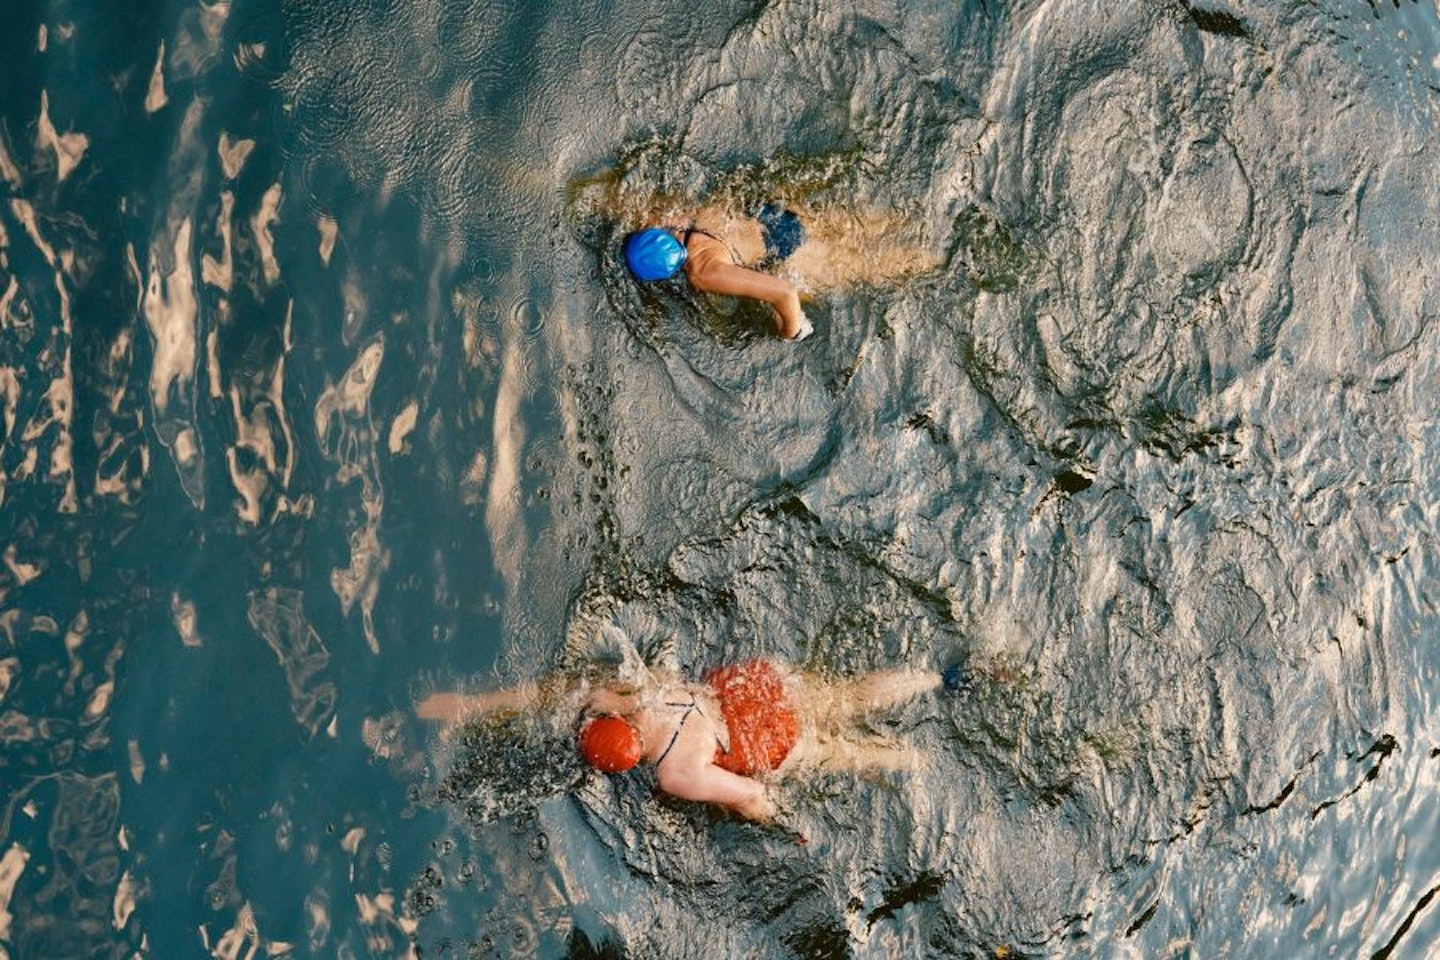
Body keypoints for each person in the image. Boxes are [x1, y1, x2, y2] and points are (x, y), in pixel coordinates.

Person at [417, 657, 970, 822]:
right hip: (758, 688)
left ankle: (919, 760)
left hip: (771, 741)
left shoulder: (673, 774)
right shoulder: (639, 691)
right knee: (846, 696)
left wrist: (781, 824)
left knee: (846, 756)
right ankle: (938, 678)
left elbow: (751, 794)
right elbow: (551, 692)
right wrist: (473, 708)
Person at [616, 198, 940, 342]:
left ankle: (940, 258)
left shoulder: (702, 272)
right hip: (779, 217)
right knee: (875, 226)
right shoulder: (675, 219)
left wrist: (792, 331)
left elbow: (785, 292)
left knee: (891, 264)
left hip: (795, 256)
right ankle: (937, 221)